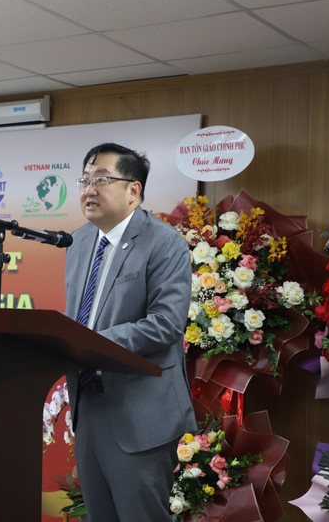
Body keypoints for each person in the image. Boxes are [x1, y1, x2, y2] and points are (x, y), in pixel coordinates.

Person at [64, 142, 196, 521]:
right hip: (89, 406)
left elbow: (165, 324)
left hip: (140, 414)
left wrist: (88, 343)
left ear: (133, 190)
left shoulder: (164, 241)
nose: (89, 190)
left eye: (101, 180)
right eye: (84, 180)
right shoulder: (78, 242)